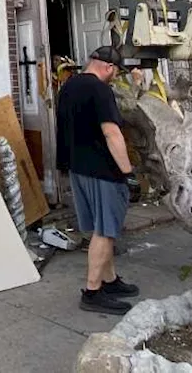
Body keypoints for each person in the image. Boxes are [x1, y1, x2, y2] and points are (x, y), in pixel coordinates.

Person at [56, 46, 140, 314]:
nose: (115, 77)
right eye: (115, 72)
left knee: (101, 228)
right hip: (102, 170)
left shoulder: (68, 87)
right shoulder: (100, 90)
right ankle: (92, 292)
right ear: (108, 67)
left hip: (78, 168)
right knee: (105, 231)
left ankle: (110, 280)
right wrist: (127, 171)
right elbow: (111, 133)